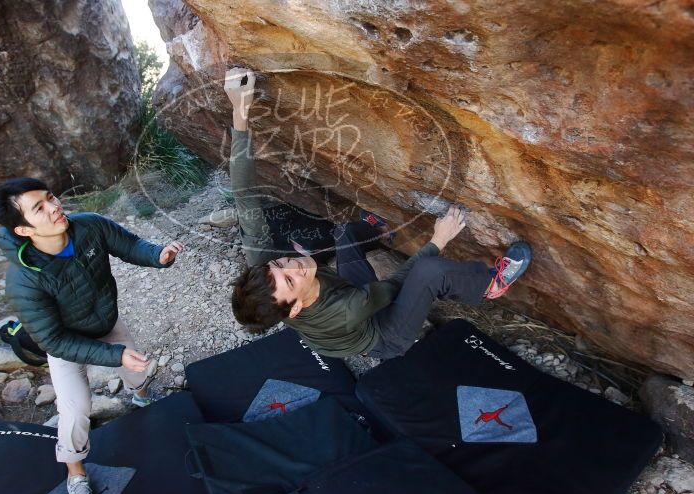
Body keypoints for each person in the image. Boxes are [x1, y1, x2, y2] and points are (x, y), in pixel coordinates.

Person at [225, 67, 532, 360]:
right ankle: (492, 284)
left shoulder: (264, 270)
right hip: (385, 335)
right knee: (429, 271)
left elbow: (244, 197)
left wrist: (240, 110)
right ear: (293, 310)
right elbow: (396, 284)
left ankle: (383, 228)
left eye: (281, 264)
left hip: (353, 296)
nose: (295, 266)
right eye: (290, 282)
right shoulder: (346, 310)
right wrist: (438, 240)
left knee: (345, 232)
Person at [0, 178, 184, 494]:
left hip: (106, 323)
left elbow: (129, 244)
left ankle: (140, 399)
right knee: (76, 411)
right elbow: (54, 341)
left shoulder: (89, 226)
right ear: (22, 229)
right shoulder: (24, 280)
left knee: (137, 370)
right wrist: (113, 355)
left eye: (50, 197)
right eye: (40, 208)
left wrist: (159, 256)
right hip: (66, 345)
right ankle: (75, 475)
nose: (54, 207)